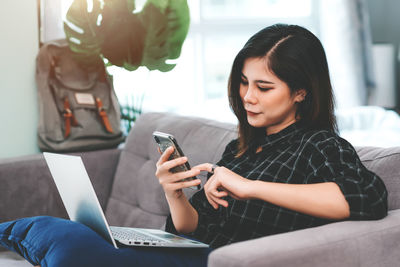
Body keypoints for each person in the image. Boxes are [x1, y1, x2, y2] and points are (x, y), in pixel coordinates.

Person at [0, 24, 388, 266]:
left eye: (263, 87)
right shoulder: (242, 149)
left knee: (67, 243)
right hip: (193, 251)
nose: (248, 96)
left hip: (217, 261)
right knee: (65, 232)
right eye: (243, 82)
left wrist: (248, 186)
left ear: (302, 91)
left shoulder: (318, 145)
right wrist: (175, 195)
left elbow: (366, 199)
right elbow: (191, 228)